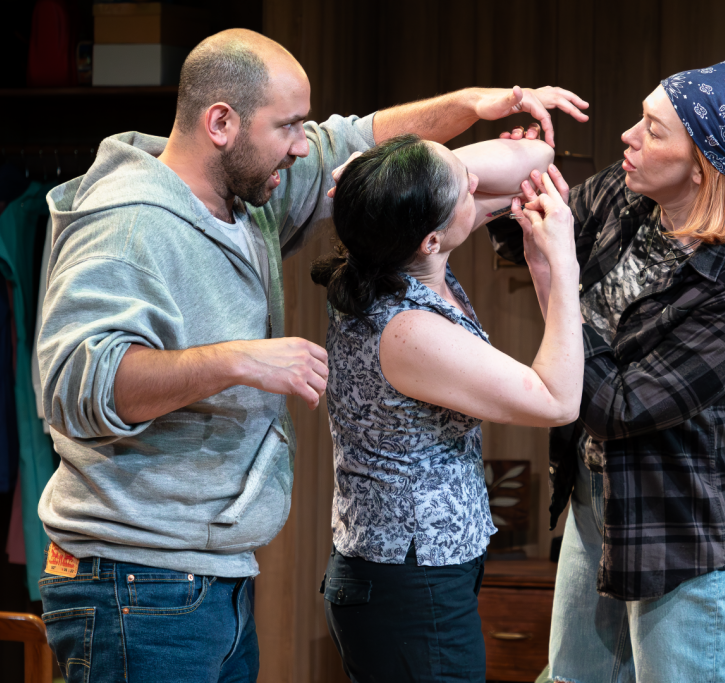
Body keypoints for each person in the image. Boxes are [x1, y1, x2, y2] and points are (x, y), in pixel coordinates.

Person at [35, 27, 588, 683]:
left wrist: (474, 101)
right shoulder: (127, 221)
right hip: (136, 580)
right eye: (290, 126)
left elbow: (357, 138)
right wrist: (238, 359)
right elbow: (73, 384)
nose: (305, 147)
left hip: (212, 575)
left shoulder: (250, 197)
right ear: (221, 123)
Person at [494, 61, 725, 682]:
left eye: (654, 131)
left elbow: (621, 408)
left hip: (678, 522)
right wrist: (515, 184)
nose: (629, 135)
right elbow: (540, 234)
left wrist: (558, 283)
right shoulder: (623, 196)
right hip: (593, 496)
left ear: (703, 164)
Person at [311, 130, 583, 682]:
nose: (478, 188)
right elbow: (558, 400)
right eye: (463, 192)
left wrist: (418, 173)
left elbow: (537, 158)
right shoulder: (407, 328)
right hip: (406, 584)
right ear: (430, 240)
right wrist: (562, 265)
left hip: (422, 570)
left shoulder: (395, 254)